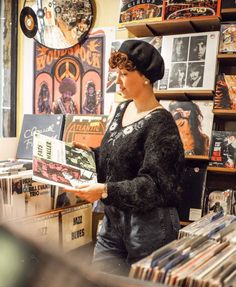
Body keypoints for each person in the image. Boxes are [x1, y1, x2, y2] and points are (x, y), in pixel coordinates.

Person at [68, 39, 185, 275]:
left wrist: (105, 190)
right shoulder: (122, 109)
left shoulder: (162, 124)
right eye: (117, 73)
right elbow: (117, 159)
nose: (117, 80)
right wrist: (90, 154)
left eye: (123, 74)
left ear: (145, 77)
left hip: (149, 227)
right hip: (113, 221)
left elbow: (157, 185)